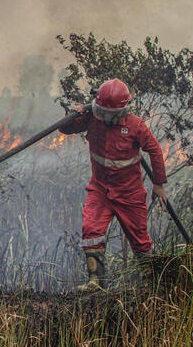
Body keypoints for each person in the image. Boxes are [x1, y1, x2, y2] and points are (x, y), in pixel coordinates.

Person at [60, 78, 167, 291]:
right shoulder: (92, 118)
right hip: (100, 190)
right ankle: (96, 283)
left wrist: (159, 184)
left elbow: (155, 150)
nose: (106, 118)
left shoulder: (135, 125)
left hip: (130, 194)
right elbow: (65, 129)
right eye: (103, 112)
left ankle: (154, 286)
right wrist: (74, 114)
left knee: (141, 241)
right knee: (91, 229)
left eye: (111, 114)